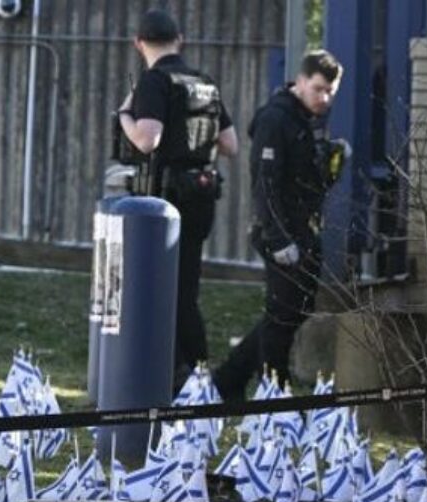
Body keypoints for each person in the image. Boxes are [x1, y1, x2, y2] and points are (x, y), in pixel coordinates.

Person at [213, 50, 345, 402]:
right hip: (281, 232)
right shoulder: (277, 119)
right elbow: (266, 185)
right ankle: (275, 393)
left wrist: (331, 166)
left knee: (292, 312)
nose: (325, 98)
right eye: (319, 89)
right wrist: (279, 239)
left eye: (331, 91)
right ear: (300, 82)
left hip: (305, 231)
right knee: (280, 317)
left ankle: (230, 378)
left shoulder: (305, 119)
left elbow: (307, 182)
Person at [115, 9, 238, 385]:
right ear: (179, 39)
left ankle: (178, 373)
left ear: (139, 44)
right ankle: (197, 371)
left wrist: (123, 115)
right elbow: (230, 145)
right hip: (201, 196)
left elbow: (146, 139)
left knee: (157, 289)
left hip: (166, 202)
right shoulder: (203, 82)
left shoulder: (155, 81)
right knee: (186, 291)